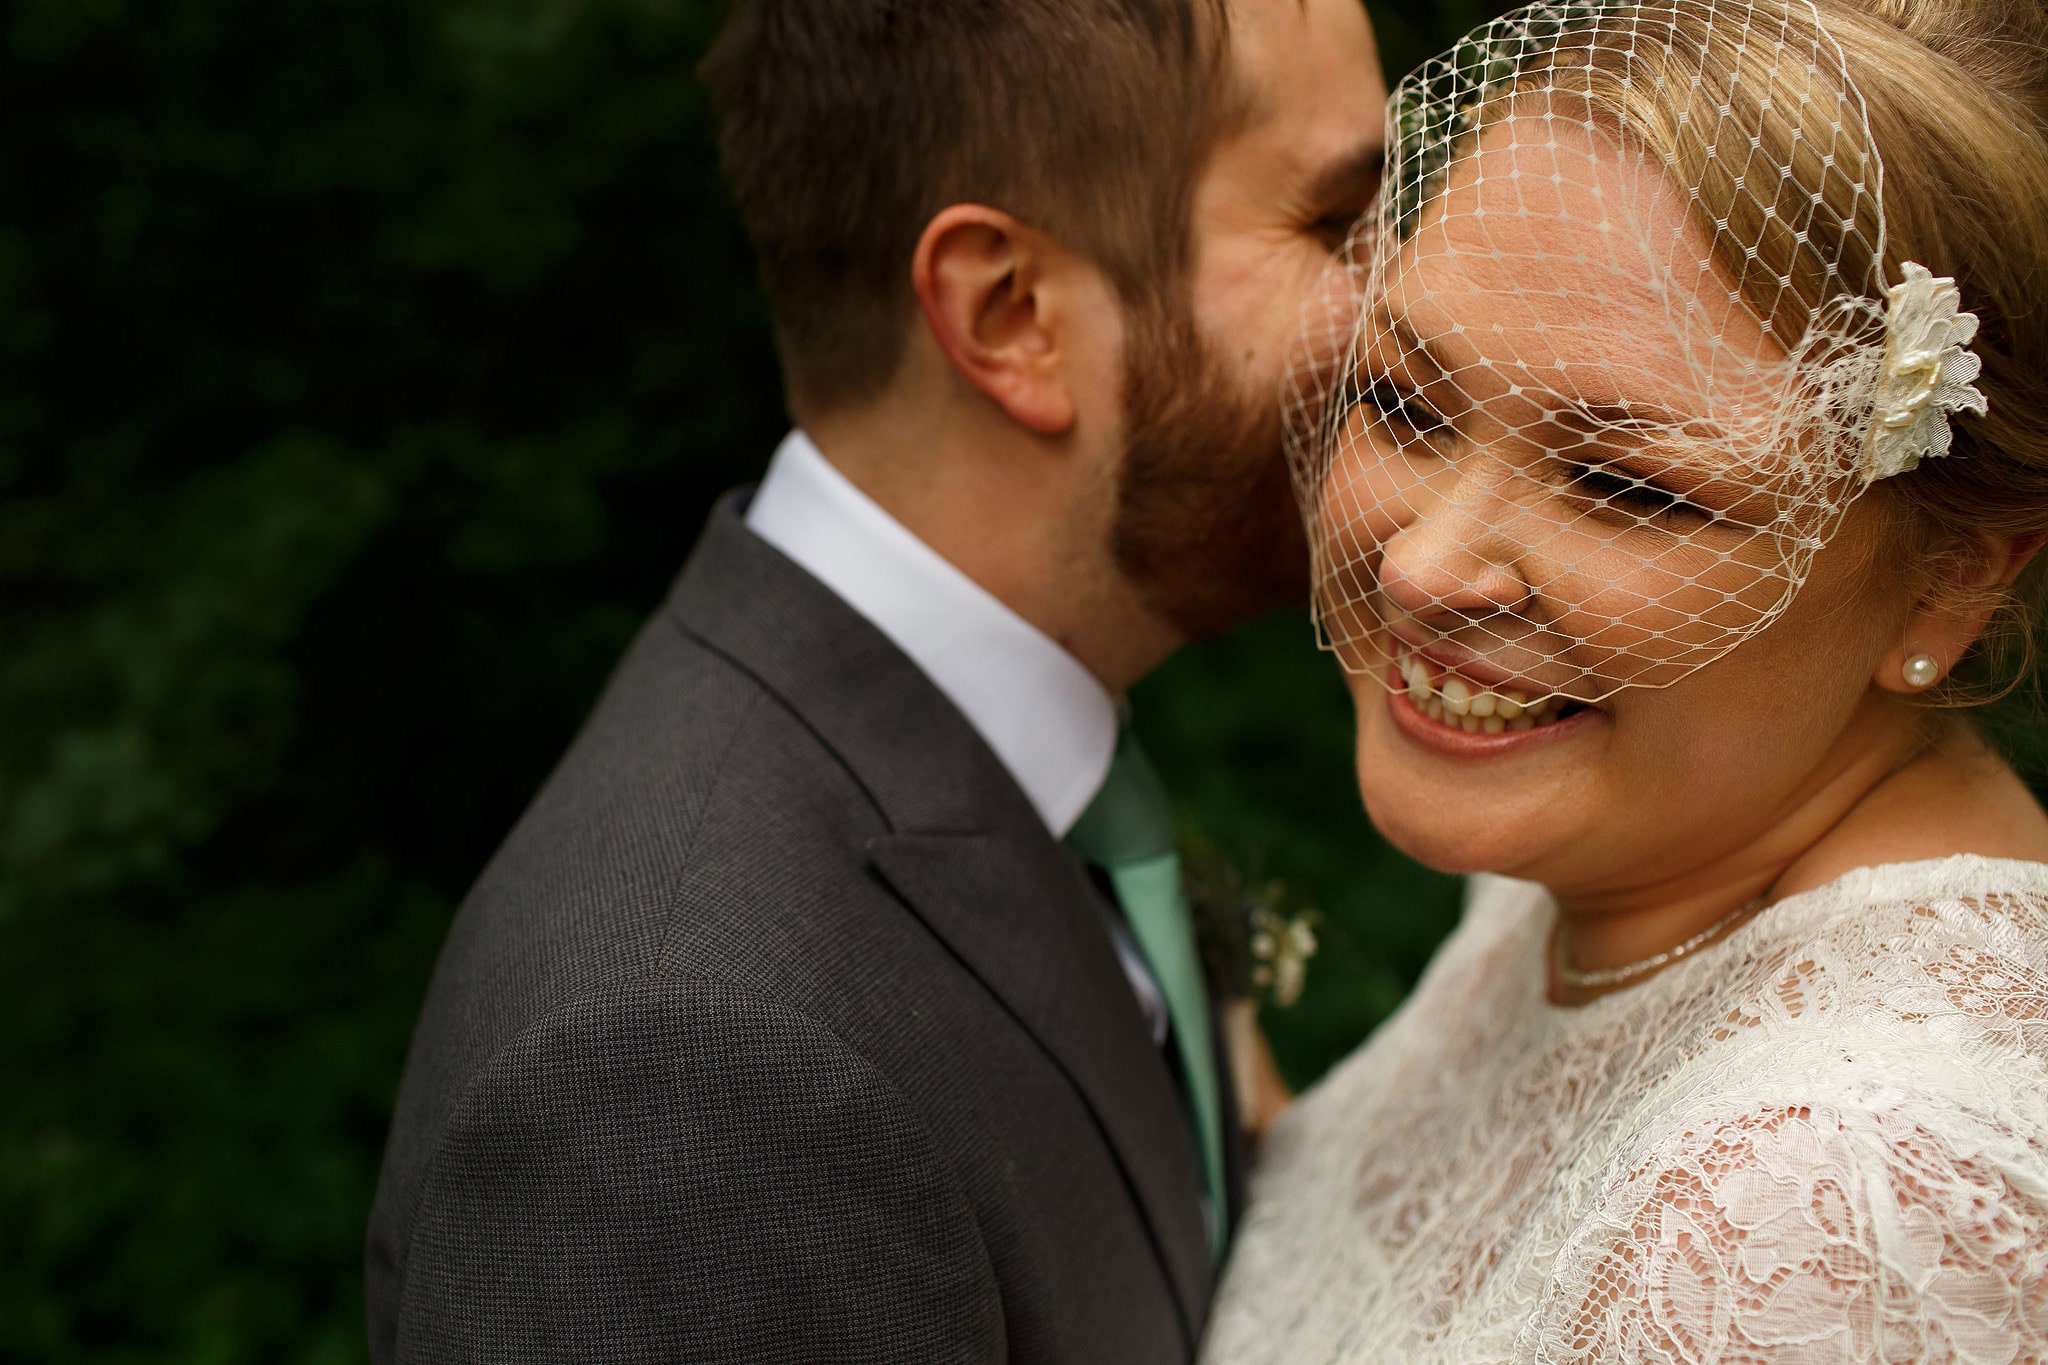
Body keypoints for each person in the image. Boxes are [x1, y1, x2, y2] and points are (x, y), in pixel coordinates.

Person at [362, 0, 1385, 1360]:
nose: (1412, 305)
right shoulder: (677, 1087)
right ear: (1008, 314)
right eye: (1336, 226)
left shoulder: (1016, 783)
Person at [1203, 0, 2048, 1360]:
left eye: (1622, 485)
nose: (1425, 565)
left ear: (1952, 575)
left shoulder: (1824, 1201)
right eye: (1409, 403)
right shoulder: (1635, 865)